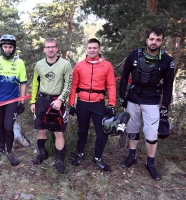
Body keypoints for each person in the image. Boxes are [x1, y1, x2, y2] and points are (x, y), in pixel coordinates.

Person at [119, 28, 174, 181]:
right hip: (133, 97)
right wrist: (121, 96)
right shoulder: (134, 55)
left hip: (152, 100)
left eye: (157, 40)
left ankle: (150, 163)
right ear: (147, 40)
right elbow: (124, 76)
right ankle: (132, 155)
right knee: (133, 129)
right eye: (151, 39)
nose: (154, 42)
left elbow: (168, 84)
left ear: (162, 42)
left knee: (151, 133)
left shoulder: (167, 61)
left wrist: (165, 106)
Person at [68, 38, 116, 172]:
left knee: (102, 132)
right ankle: (80, 154)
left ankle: (97, 158)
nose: (92, 50)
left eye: (95, 48)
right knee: (82, 131)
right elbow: (74, 86)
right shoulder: (79, 66)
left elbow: (111, 85)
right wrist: (71, 104)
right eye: (90, 48)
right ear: (86, 49)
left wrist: (111, 104)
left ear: (99, 49)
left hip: (98, 103)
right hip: (82, 103)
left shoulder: (107, 65)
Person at [30, 37, 72, 174]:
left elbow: (68, 84)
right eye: (47, 47)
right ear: (44, 50)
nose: (50, 49)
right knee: (41, 130)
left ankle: (59, 160)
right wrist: (32, 101)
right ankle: (42, 153)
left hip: (57, 101)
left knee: (58, 132)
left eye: (53, 46)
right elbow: (35, 83)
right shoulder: (39, 64)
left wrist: (60, 100)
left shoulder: (65, 64)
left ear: (57, 48)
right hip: (42, 100)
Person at [0, 34, 27, 166]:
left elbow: (23, 83)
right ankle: (1, 150)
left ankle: (9, 151)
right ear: (1, 47)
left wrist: (22, 102)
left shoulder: (19, 63)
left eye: (10, 47)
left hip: (12, 100)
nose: (8, 49)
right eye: (5, 46)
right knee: (0, 125)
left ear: (14, 48)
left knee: (8, 127)